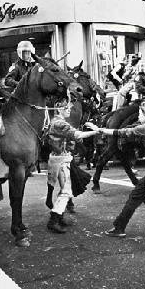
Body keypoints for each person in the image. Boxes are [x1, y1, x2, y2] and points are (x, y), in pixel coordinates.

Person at [86, 101, 145, 239]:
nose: (138, 117)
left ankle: (119, 227)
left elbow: (121, 132)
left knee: (134, 197)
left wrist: (98, 129)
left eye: (141, 114)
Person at [46, 99, 100, 234]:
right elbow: (78, 135)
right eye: (66, 108)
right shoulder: (59, 123)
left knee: (65, 190)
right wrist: (96, 131)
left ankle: (59, 215)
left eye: (70, 108)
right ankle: (53, 220)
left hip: (61, 159)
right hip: (61, 161)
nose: (69, 110)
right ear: (58, 109)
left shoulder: (58, 122)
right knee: (66, 191)